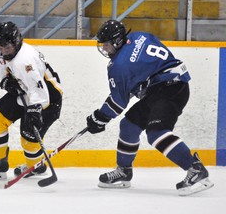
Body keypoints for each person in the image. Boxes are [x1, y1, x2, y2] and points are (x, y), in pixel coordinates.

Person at [86, 20, 214, 196]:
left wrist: (100, 117)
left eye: (106, 44)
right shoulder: (139, 36)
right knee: (129, 125)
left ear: (116, 41)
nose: (104, 48)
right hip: (164, 86)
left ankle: (195, 169)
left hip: (170, 89)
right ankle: (124, 171)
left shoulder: (119, 66)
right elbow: (143, 71)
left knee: (156, 132)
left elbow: (119, 101)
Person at [0, 21, 63, 179]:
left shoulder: (26, 60)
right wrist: (6, 81)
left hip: (48, 99)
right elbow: (3, 69)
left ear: (16, 43)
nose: (3, 51)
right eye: (0, 47)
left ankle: (36, 167)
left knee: (28, 140)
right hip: (24, 92)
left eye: (6, 47)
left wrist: (35, 110)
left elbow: (40, 91)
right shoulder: (4, 50)